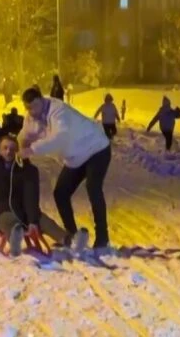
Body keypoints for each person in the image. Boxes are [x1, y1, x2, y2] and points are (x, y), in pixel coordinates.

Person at [17, 87, 112, 249]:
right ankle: (72, 236)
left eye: (34, 106)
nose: (31, 111)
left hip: (96, 148)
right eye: (28, 108)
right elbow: (24, 136)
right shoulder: (31, 119)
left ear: (41, 99)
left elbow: (59, 137)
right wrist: (18, 150)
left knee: (93, 187)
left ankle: (102, 237)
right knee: (61, 192)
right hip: (76, 158)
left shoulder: (57, 110)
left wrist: (32, 150)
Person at [0, 136, 80, 257]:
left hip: (23, 210)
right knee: (11, 222)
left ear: (17, 151)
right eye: (5, 148)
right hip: (2, 211)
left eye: (12, 149)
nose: (8, 151)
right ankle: (15, 242)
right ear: (0, 150)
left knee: (44, 221)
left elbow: (31, 195)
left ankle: (69, 241)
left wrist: (32, 221)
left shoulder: (27, 170)